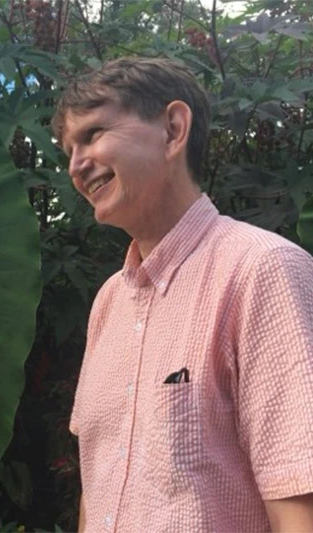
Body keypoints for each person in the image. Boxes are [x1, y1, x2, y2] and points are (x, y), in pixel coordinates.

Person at [55, 56, 313, 532]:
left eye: (93, 134)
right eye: (69, 149)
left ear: (173, 129)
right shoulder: (108, 302)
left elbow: (299, 501)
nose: (75, 165)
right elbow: (97, 484)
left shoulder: (262, 270)